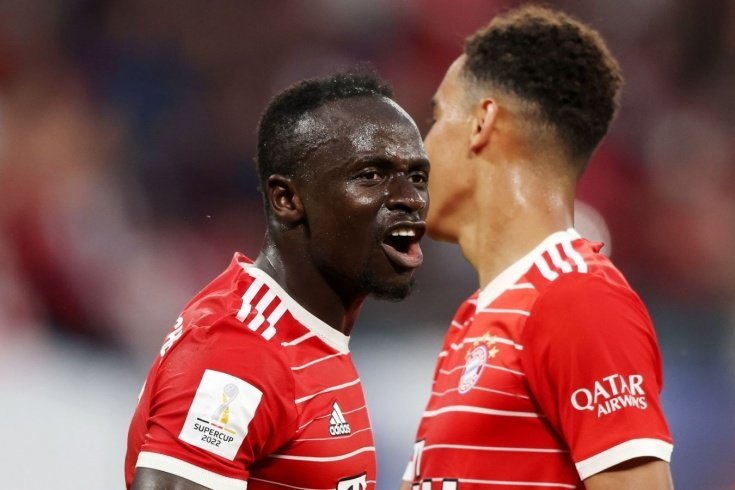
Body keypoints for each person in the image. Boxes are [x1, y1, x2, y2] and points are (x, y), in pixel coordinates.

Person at [401, 5, 673, 490]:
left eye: (436, 116)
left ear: (482, 122)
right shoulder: (473, 320)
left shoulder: (577, 299)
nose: (421, 147)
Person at [126, 70, 430, 490]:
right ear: (287, 199)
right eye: (371, 176)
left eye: (417, 177)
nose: (409, 198)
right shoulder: (238, 349)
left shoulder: (308, 336)